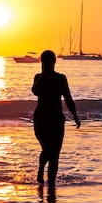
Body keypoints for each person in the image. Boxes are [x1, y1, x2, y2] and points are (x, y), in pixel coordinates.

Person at [32, 49, 81, 186]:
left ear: (54, 62)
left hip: (56, 120)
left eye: (49, 61)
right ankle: (41, 169)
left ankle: (51, 186)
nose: (47, 64)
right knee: (48, 150)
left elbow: (68, 99)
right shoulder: (38, 78)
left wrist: (75, 116)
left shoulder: (60, 78)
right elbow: (35, 91)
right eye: (45, 61)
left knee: (55, 155)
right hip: (41, 119)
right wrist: (43, 75)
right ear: (41, 62)